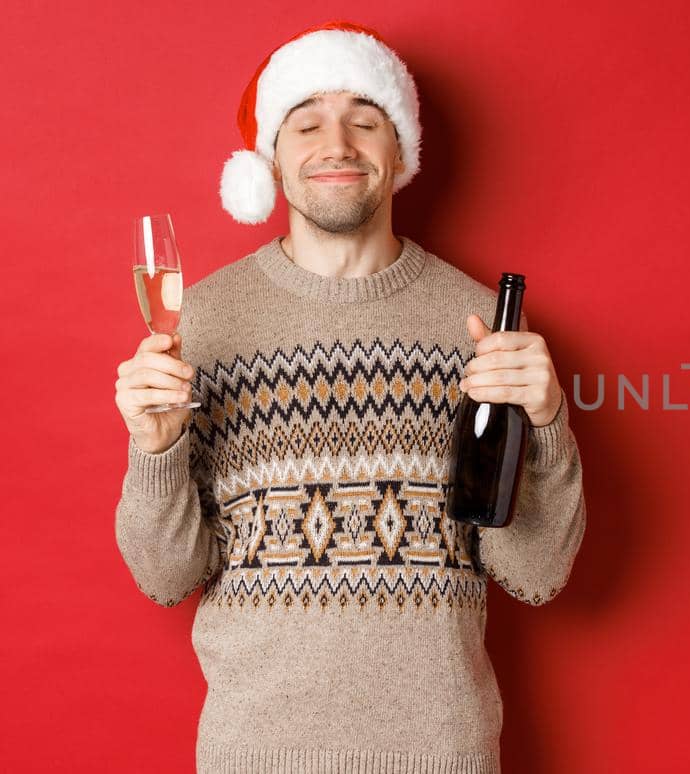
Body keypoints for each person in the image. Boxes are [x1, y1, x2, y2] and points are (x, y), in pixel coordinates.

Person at [111, 20, 585, 773]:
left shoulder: (481, 327)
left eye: (365, 121)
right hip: (254, 756)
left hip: (443, 754)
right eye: (306, 124)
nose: (337, 144)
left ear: (400, 152)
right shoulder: (199, 322)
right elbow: (165, 578)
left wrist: (550, 425)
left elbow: (537, 572)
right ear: (271, 157)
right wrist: (156, 450)